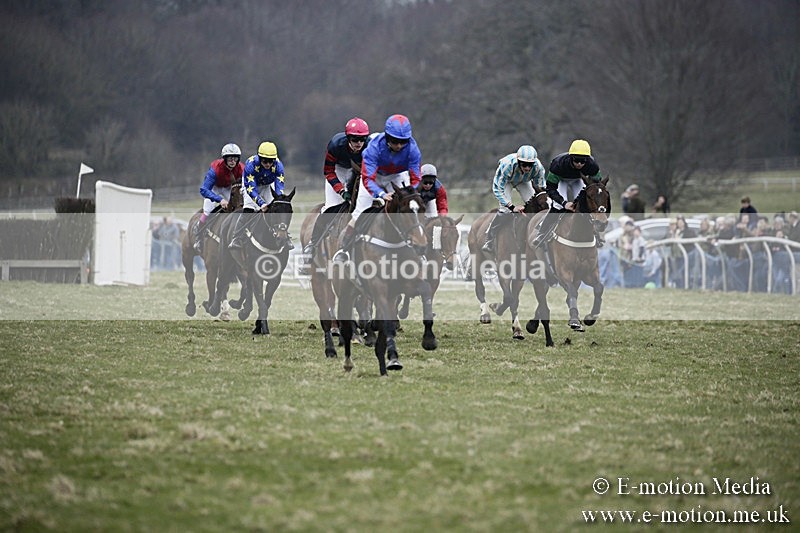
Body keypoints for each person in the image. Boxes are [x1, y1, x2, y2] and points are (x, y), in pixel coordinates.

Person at [332, 114, 422, 262]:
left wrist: (409, 192)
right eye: (394, 141)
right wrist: (380, 194)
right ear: (387, 137)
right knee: (359, 213)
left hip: (396, 176)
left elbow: (416, 177)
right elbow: (368, 178)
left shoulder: (413, 149)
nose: (399, 146)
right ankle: (344, 250)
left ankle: (417, 249)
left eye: (403, 142)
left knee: (410, 209)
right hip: (373, 177)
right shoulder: (373, 148)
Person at [301, 117, 370, 260]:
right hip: (338, 169)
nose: (359, 143)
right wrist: (340, 190)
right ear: (348, 138)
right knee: (331, 208)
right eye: (354, 139)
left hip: (359, 171)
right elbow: (328, 171)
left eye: (362, 139)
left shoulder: (370, 147)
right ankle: (312, 245)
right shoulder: (335, 145)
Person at [532, 139, 605, 248]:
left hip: (579, 180)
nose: (579, 164)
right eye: (576, 160)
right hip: (562, 180)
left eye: (583, 161)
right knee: (557, 206)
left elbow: (596, 186)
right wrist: (564, 203)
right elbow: (551, 189)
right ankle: (542, 233)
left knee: (585, 205)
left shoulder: (592, 165)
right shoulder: (558, 165)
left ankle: (596, 235)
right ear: (571, 158)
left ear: (587, 160)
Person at [481, 144, 545, 253]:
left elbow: (541, 189)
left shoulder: (538, 167)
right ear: (519, 162)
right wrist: (512, 207)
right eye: (524, 165)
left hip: (524, 182)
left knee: (537, 207)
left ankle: (539, 234)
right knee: (505, 210)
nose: (528, 168)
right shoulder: (507, 166)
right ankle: (489, 238)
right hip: (507, 182)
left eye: (530, 165)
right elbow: (497, 189)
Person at [229, 141, 291, 249]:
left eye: (270, 161)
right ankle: (236, 237)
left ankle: (285, 237)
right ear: (259, 158)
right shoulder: (251, 165)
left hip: (267, 185)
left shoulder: (279, 166)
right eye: (265, 161)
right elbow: (251, 190)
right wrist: (261, 203)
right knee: (249, 209)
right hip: (251, 186)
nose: (268, 164)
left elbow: (279, 187)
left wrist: (278, 199)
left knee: (278, 207)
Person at [192, 143, 244, 253]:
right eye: (230, 158)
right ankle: (199, 235)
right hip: (214, 188)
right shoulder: (215, 169)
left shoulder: (241, 168)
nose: (232, 161)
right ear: (224, 159)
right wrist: (220, 200)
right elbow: (204, 189)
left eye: (235, 158)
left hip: (229, 188)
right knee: (208, 211)